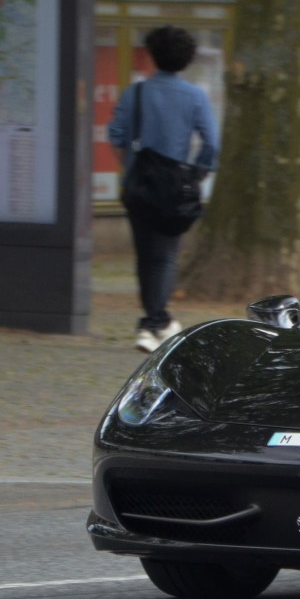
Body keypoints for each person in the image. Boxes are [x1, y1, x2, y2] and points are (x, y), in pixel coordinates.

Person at [107, 25, 219, 353]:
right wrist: (196, 175)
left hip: (139, 184)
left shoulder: (135, 93)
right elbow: (211, 143)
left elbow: (116, 136)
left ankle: (152, 321)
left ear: (153, 55)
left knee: (145, 255)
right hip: (175, 186)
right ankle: (156, 322)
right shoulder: (196, 96)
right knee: (167, 255)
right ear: (185, 60)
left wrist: (130, 168)